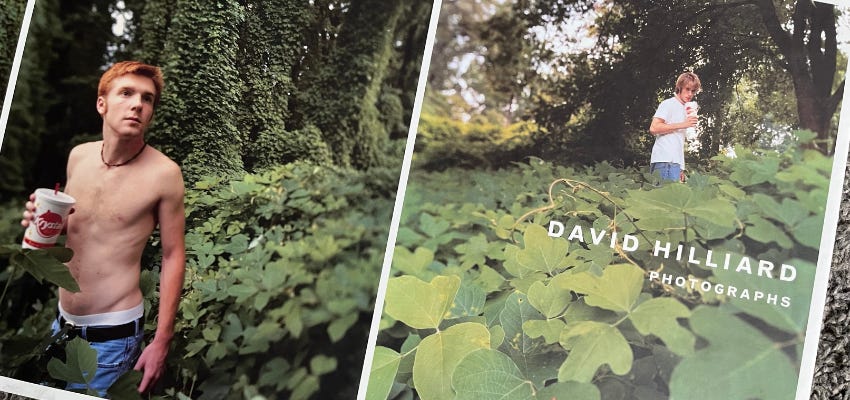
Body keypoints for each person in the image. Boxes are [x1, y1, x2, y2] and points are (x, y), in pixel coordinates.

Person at [21, 61, 185, 396]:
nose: (138, 103)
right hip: (61, 324)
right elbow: (77, 226)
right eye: (126, 93)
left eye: (148, 98)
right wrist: (41, 220)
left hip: (112, 336)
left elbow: (173, 255)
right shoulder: (78, 156)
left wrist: (161, 341)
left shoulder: (164, 174)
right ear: (102, 103)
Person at [648, 72, 701, 182]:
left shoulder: (684, 109)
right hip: (664, 160)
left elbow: (677, 141)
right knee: (663, 198)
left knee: (672, 198)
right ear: (679, 87)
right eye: (687, 89)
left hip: (674, 164)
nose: (690, 94)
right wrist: (684, 124)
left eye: (693, 91)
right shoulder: (668, 104)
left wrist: (681, 168)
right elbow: (654, 128)